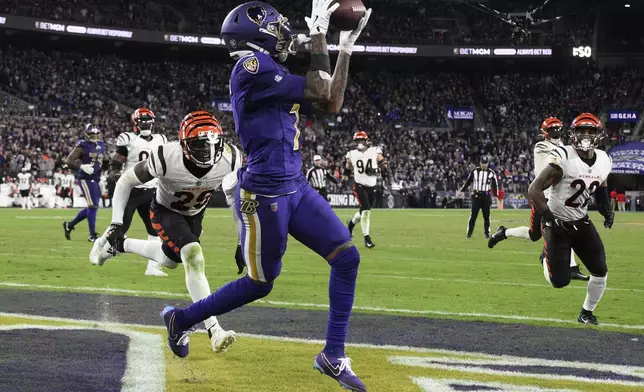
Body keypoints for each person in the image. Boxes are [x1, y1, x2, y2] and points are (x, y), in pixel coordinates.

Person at [154, 2, 372, 391]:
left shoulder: (275, 69)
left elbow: (332, 101)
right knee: (260, 283)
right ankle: (182, 319)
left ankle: (333, 356)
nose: (286, 34)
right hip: (265, 191)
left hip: (297, 185)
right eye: (279, 28)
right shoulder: (251, 68)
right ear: (257, 35)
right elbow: (321, 86)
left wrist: (346, 47)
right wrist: (320, 34)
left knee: (347, 258)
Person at [95, 111, 240, 352]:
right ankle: (214, 329)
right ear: (183, 145)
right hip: (166, 211)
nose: (208, 152)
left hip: (195, 215)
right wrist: (116, 223)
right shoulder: (166, 156)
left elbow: (236, 200)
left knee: (169, 260)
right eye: (200, 145)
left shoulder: (232, 158)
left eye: (213, 145)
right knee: (193, 256)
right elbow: (125, 181)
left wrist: (240, 240)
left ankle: (120, 246)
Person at [528, 113, 614, 325]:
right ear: (573, 134)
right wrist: (549, 219)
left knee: (600, 270)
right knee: (560, 282)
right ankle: (545, 259)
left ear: (598, 134)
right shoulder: (563, 156)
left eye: (590, 131)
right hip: (558, 223)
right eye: (581, 131)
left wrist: (606, 209)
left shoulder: (604, 158)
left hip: (581, 221)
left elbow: (601, 185)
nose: (586, 135)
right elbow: (534, 190)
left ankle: (586, 312)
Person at [488, 118, 589, 281]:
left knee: (560, 228)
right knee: (538, 233)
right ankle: (505, 233)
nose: (556, 131)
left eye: (558, 128)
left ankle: (571, 267)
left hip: (558, 196)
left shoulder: (563, 146)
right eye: (552, 129)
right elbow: (548, 170)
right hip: (544, 196)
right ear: (545, 133)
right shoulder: (542, 146)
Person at [109, 108, 168, 277]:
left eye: (148, 120)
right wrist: (114, 172)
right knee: (120, 226)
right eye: (142, 121)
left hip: (152, 190)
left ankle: (152, 267)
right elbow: (116, 161)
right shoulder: (128, 138)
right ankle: (100, 249)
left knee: (155, 229)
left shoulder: (160, 139)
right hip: (132, 189)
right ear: (135, 123)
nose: (146, 124)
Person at [63, 124, 107, 242]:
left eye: (96, 134)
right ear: (87, 135)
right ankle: (92, 235)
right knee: (92, 206)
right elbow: (68, 161)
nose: (94, 136)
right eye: (92, 134)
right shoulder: (82, 145)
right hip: (85, 178)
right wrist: (81, 166)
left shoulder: (102, 145)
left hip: (96, 178)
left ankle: (70, 225)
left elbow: (104, 161)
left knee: (93, 207)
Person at [344, 131, 388, 248]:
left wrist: (377, 170)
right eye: (357, 141)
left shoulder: (374, 150)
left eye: (361, 140)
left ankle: (351, 224)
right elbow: (347, 168)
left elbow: (384, 165)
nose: (359, 143)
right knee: (366, 211)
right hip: (359, 185)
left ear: (366, 140)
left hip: (372, 185)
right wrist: (344, 179)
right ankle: (367, 238)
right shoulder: (351, 154)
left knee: (363, 210)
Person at [459, 156, 498, 239]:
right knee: (473, 216)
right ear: (480, 163)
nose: (484, 165)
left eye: (485, 163)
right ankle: (469, 233)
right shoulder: (474, 171)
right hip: (476, 196)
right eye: (483, 163)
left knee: (486, 216)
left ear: (488, 163)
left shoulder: (491, 173)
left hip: (486, 196)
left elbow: (495, 185)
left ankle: (487, 233)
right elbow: (468, 181)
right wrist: (461, 190)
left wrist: (495, 195)